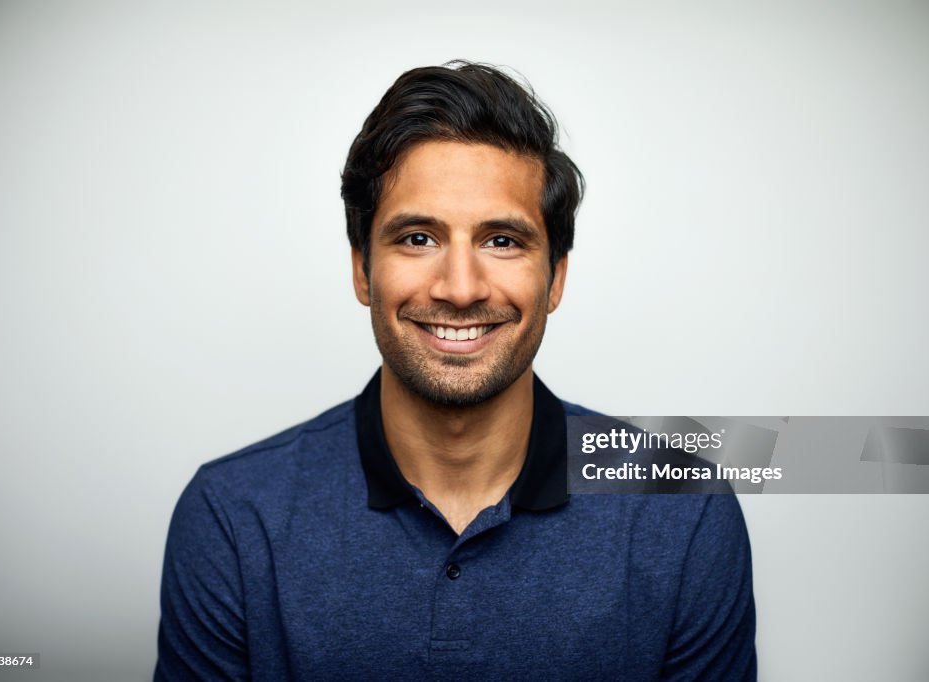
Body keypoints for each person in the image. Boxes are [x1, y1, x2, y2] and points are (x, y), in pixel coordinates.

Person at [155, 61, 756, 681]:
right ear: (363, 269)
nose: (460, 288)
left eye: (502, 241)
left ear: (557, 278)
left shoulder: (683, 510)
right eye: (418, 238)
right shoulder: (233, 514)